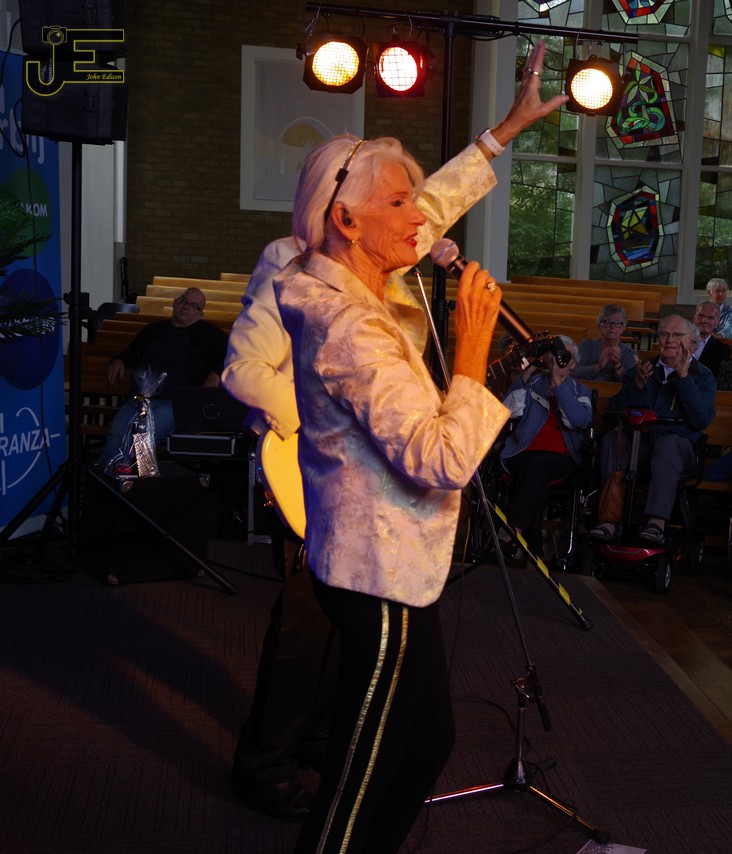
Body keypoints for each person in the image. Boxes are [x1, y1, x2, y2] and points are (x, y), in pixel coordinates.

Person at [222, 65, 546, 826]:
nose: (416, 219)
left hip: (389, 516)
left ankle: (322, 748)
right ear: (344, 217)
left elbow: (431, 202)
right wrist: (326, 426)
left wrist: (502, 134)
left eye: (410, 201)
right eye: (395, 202)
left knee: (409, 723)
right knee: (318, 662)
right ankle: (270, 763)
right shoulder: (319, 290)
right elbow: (245, 372)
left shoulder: (372, 264)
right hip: (346, 505)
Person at [589, 315, 717, 545]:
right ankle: (609, 520)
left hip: (678, 451)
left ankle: (656, 523)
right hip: (641, 445)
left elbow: (700, 419)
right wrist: (637, 385)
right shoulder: (643, 369)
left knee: (667, 445)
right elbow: (616, 409)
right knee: (613, 439)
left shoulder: (703, 376)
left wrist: (683, 376)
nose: (669, 340)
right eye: (664, 334)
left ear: (691, 342)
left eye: (676, 335)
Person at [98, 287, 229, 467]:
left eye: (193, 306)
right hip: (139, 400)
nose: (186, 307)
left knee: (143, 435)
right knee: (116, 434)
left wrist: (216, 372)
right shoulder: (154, 330)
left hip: (173, 404)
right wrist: (119, 360)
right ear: (175, 302)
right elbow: (132, 352)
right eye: (183, 301)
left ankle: (114, 475)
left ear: (200, 314)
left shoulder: (209, 334)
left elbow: (230, 356)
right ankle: (112, 475)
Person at [499, 336, 594, 559]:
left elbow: (579, 420)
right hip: (521, 454)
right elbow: (507, 413)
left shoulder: (580, 391)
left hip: (562, 459)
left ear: (573, 364)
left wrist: (559, 386)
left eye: (565, 356)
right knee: (535, 470)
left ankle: (514, 530)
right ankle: (534, 549)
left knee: (536, 466)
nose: (559, 360)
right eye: (554, 354)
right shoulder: (531, 384)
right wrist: (523, 377)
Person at [573, 304, 638, 381]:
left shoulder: (630, 354)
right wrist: (598, 367)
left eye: (617, 323)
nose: (612, 326)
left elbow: (630, 382)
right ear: (598, 325)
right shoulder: (586, 345)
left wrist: (618, 365)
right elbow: (574, 373)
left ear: (623, 328)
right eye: (607, 322)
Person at [692, 300, 732, 376]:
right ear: (694, 319)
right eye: (701, 316)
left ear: (717, 323)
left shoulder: (723, 351)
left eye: (710, 317)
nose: (705, 320)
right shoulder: (679, 342)